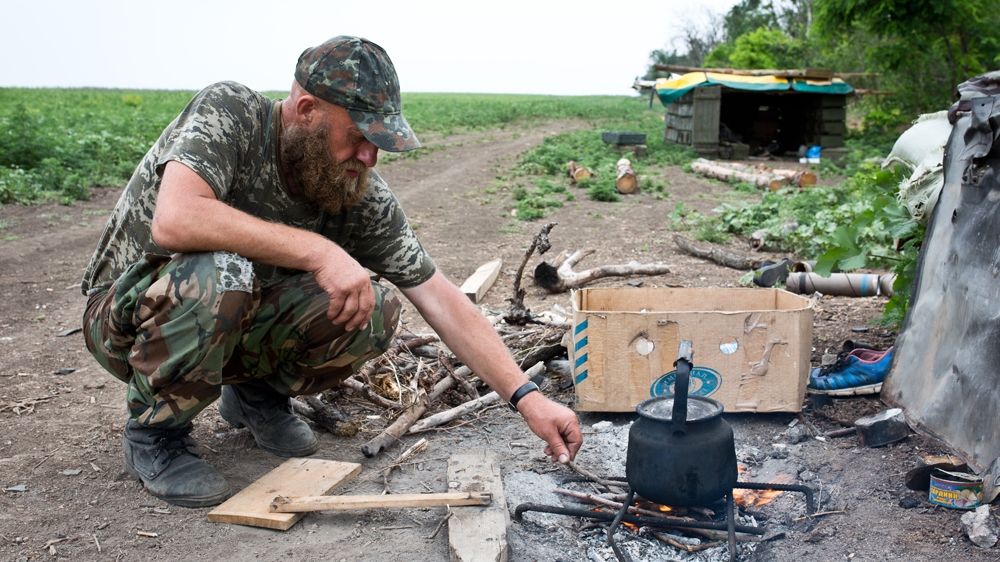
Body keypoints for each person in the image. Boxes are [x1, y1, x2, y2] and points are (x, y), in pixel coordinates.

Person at [80, 36, 582, 507]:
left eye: (378, 140)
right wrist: (322, 253)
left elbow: (440, 297)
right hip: (129, 322)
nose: (370, 155)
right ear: (306, 111)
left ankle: (256, 396)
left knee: (375, 308)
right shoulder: (231, 112)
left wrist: (527, 398)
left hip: (229, 325)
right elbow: (177, 218)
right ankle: (155, 433)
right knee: (223, 272)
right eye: (359, 136)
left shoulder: (356, 189)